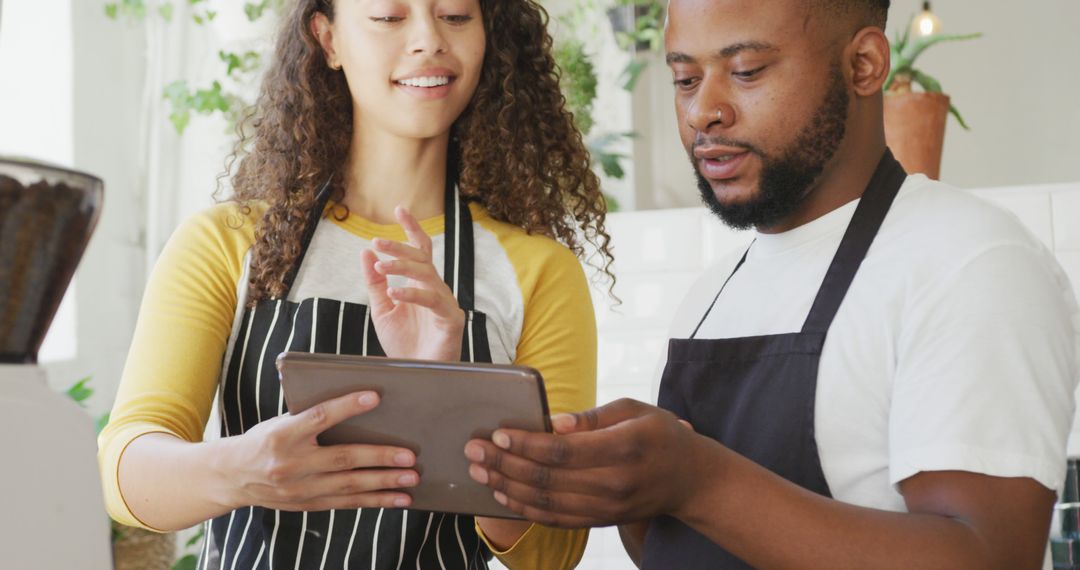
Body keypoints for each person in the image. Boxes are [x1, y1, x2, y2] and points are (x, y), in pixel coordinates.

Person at [464, 0, 1080, 568]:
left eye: (747, 71)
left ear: (864, 65)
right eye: (684, 79)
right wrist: (635, 483)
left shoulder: (968, 261)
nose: (705, 110)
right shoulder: (715, 290)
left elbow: (985, 557)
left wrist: (697, 479)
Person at [97, 0, 611, 568]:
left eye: (457, 16)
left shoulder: (539, 270)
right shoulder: (229, 242)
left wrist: (445, 391)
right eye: (390, 17)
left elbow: (553, 550)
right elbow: (127, 476)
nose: (428, 40)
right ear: (328, 39)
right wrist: (243, 471)